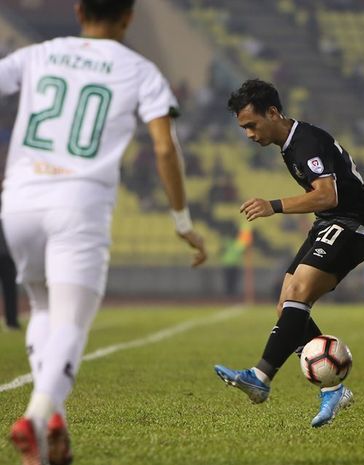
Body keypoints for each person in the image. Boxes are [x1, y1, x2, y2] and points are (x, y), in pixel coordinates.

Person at [0, 1, 208, 463]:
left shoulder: (39, 53)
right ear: (129, 16)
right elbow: (163, 146)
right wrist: (182, 222)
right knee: (72, 321)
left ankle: (55, 423)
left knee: (42, 306)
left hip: (19, 198)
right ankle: (34, 419)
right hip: (79, 204)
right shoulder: (140, 69)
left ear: (78, 11)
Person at [214, 79, 364, 427]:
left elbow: (327, 195)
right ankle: (332, 389)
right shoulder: (291, 144)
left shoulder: (305, 142)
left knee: (299, 294)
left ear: (273, 113)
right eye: (243, 127)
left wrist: (272, 206)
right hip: (331, 222)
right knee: (287, 304)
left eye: (251, 125)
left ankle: (260, 377)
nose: (248, 134)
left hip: (353, 224)